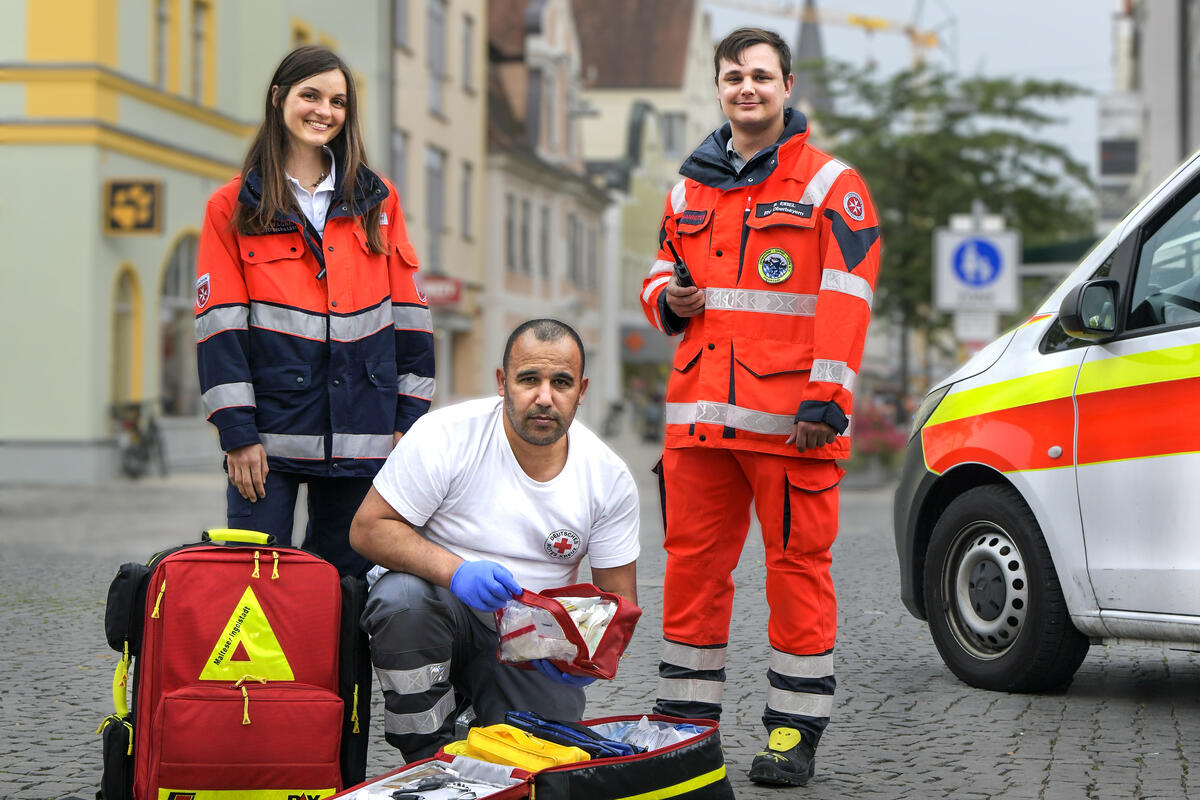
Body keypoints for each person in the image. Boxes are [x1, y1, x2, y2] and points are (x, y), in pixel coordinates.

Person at [639, 28, 882, 787]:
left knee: (796, 573)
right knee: (690, 572)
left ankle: (793, 731)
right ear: (718, 87)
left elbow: (848, 296)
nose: (748, 88)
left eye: (762, 76)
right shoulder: (688, 190)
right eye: (734, 76)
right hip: (698, 425)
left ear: (787, 86)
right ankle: (682, 724)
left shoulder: (829, 184)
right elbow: (658, 276)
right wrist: (666, 301)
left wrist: (828, 399)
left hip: (791, 426)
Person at [350, 319, 640, 762]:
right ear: (503, 382)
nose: (545, 397)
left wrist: (579, 654)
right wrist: (457, 571)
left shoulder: (608, 477)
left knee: (544, 756)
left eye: (560, 382)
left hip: (532, 640)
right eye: (529, 379)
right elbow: (369, 527)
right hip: (442, 605)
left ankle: (486, 713)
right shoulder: (445, 435)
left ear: (581, 390)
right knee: (401, 601)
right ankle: (429, 755)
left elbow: (617, 597)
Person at [195, 46, 433, 577]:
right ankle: (259, 668)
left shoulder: (379, 200)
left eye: (338, 101)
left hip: (364, 433)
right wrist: (238, 436)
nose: (325, 111)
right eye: (311, 95)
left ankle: (340, 668)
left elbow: (411, 318)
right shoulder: (232, 207)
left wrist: (406, 424)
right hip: (268, 440)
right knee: (254, 581)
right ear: (279, 98)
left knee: (347, 587)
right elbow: (220, 330)